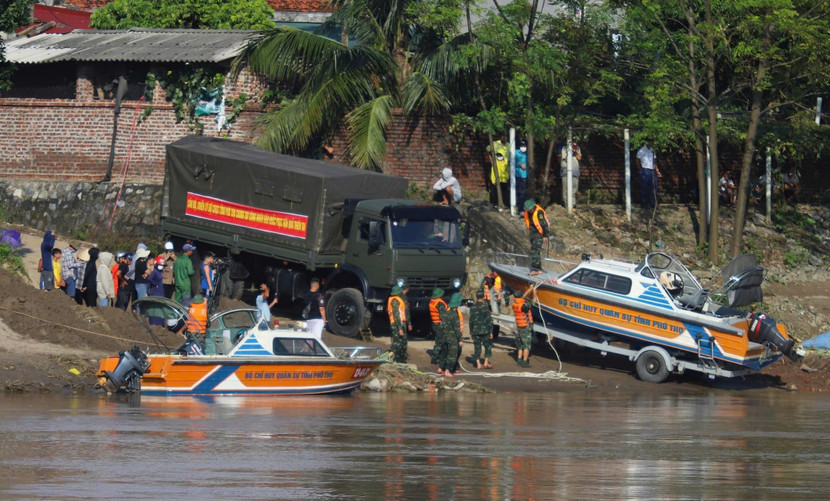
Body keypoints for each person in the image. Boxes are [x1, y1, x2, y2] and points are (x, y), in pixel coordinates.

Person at [439, 292, 464, 377]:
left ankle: (442, 368)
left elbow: (442, 326)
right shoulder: (454, 314)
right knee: (452, 354)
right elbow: (457, 329)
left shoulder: (446, 313)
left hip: (444, 337)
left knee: (445, 353)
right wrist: (460, 340)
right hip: (452, 338)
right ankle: (448, 371)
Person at [523, 199, 550, 275]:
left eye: (530, 209)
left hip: (539, 234)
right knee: (535, 251)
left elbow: (544, 225)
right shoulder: (527, 213)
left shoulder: (539, 212)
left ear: (533, 207)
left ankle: (535, 269)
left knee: (535, 251)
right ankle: (538, 268)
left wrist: (545, 236)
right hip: (532, 233)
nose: (529, 211)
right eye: (528, 210)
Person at [470, 289, 494, 370]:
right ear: (483, 297)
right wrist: (491, 331)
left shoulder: (472, 307)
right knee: (488, 346)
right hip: (485, 331)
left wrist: (471, 332)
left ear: (476, 297)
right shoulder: (485, 307)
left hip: (475, 331)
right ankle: (486, 362)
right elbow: (489, 320)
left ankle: (478, 364)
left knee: (477, 347)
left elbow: (471, 320)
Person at [510, 288, 534, 367]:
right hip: (525, 327)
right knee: (526, 345)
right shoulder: (524, 306)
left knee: (520, 344)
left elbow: (522, 297)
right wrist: (534, 292)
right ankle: (525, 361)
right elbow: (534, 302)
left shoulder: (514, 304)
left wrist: (530, 289)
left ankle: (519, 360)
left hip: (519, 326)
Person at [387, 285, 409, 363]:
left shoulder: (398, 299)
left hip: (401, 324)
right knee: (397, 344)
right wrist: (400, 328)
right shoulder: (395, 301)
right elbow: (396, 315)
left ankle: (402, 360)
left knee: (403, 343)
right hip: (396, 325)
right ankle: (395, 360)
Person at [636, 144, 661, 208]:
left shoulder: (653, 150)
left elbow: (654, 161)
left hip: (653, 170)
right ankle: (645, 203)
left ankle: (653, 203)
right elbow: (637, 161)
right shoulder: (641, 150)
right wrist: (640, 169)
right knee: (645, 187)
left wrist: (657, 170)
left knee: (654, 187)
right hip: (645, 169)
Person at [488, 135, 509, 207]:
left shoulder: (509, 145)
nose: (504, 138)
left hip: (505, 171)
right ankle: (495, 203)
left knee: (504, 188)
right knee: (495, 188)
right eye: (503, 136)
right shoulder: (495, 144)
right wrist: (492, 161)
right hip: (497, 169)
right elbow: (488, 151)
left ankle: (504, 203)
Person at [481, 269, 503, 341]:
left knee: (496, 319)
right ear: (493, 272)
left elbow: (504, 289)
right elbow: (482, 288)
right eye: (495, 272)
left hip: (496, 301)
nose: (496, 273)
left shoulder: (501, 279)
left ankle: (495, 335)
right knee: (486, 317)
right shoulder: (487, 278)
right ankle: (486, 333)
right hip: (487, 300)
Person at [428, 288, 447, 367]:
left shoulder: (432, 301)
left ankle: (436, 357)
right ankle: (435, 358)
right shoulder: (440, 303)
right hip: (440, 324)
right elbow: (443, 316)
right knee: (440, 342)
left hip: (435, 323)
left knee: (438, 341)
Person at [559, 141, 582, 206]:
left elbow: (579, 158)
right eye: (573, 147)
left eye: (575, 147)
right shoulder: (564, 148)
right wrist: (570, 152)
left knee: (574, 189)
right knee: (565, 189)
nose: (574, 148)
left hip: (575, 172)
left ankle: (573, 204)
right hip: (565, 171)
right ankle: (566, 204)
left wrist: (575, 152)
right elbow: (565, 158)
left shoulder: (577, 148)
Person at [148, 256, 166, 326]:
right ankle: (154, 322)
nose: (162, 266)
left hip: (160, 291)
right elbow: (149, 278)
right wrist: (155, 285)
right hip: (156, 292)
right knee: (155, 307)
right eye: (160, 265)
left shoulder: (160, 272)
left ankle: (160, 322)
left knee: (160, 307)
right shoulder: (155, 272)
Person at [515, 139, 529, 209]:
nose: (523, 147)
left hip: (525, 175)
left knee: (523, 192)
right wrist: (519, 164)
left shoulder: (528, 153)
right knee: (517, 191)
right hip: (517, 175)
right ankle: (518, 207)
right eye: (522, 146)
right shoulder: (515, 152)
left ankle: (522, 207)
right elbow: (511, 162)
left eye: (524, 146)